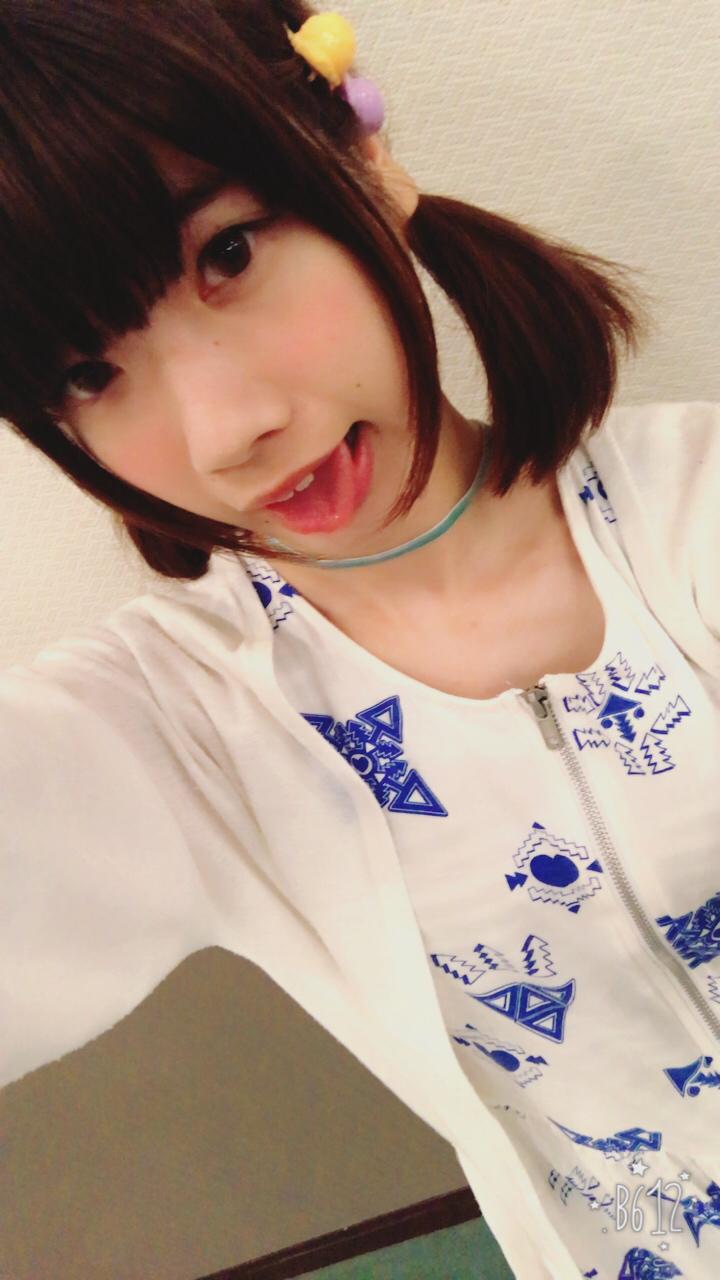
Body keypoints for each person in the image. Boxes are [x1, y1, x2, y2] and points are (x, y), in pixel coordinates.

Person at [0, 3, 718, 1277]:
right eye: (87, 375)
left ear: (361, 162)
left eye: (228, 253)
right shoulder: (183, 723)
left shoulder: (700, 500)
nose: (226, 430)